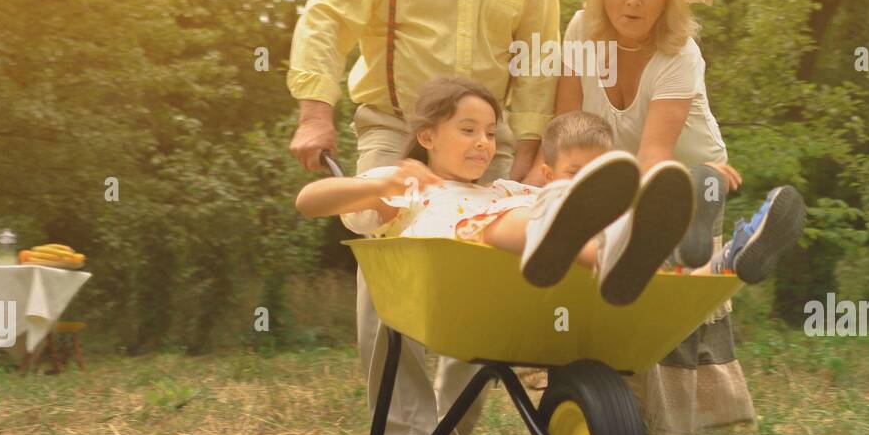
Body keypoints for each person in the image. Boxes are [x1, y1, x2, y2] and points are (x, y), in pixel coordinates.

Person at [286, 0, 559, 435]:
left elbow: (541, 51)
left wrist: (529, 146)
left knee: (480, 280)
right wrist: (314, 108)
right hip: (395, 126)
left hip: (483, 136)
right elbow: (327, 16)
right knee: (391, 265)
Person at [537, 0, 807, 435]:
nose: (634, 0)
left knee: (668, 297)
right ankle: (620, 421)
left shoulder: (679, 53)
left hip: (681, 175)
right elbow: (566, 126)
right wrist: (552, 186)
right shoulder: (579, 31)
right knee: (620, 285)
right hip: (603, 170)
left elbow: (654, 154)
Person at [295, 77, 697, 305]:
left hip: (519, 289)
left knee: (545, 206)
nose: (484, 142)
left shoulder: (501, 190)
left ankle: (644, 251)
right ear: (428, 137)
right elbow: (308, 203)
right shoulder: (407, 187)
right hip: (456, 289)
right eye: (468, 130)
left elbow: (574, 200)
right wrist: (384, 183)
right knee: (513, 218)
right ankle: (579, 236)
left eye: (490, 132)